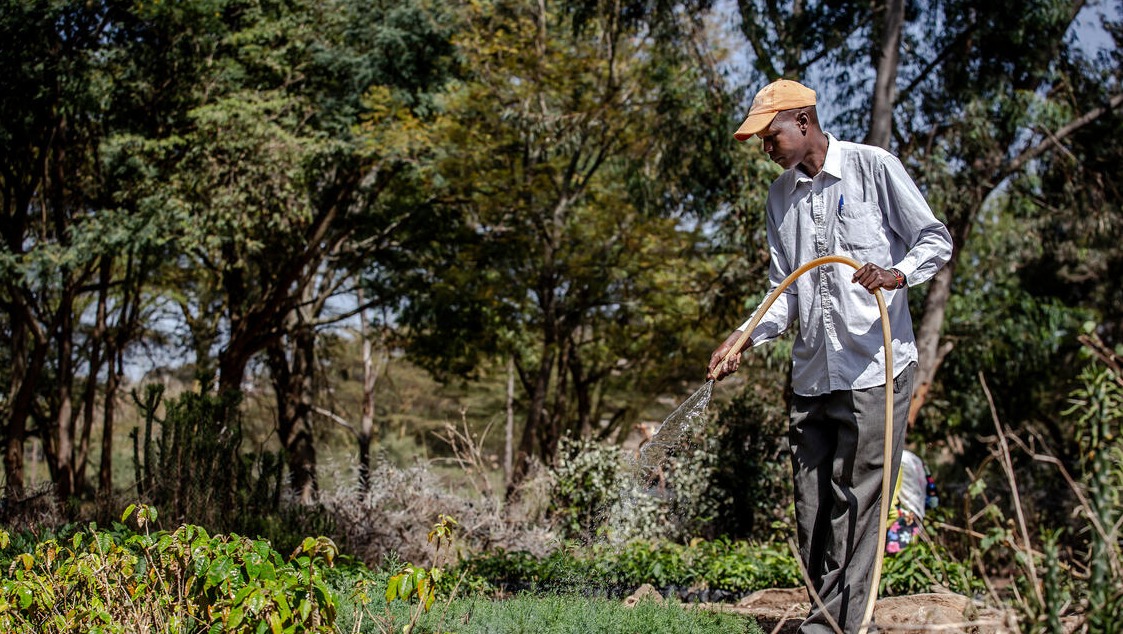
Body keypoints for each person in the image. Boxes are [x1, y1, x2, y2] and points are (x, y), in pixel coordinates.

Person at [706, 79, 953, 633]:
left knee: (861, 501)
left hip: (875, 366)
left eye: (770, 136)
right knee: (812, 505)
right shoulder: (779, 197)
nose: (766, 149)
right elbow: (784, 292)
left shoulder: (873, 167)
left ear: (801, 119)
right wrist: (743, 336)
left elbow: (935, 240)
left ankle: (837, 624)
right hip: (813, 372)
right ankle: (827, 611)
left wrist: (896, 274)